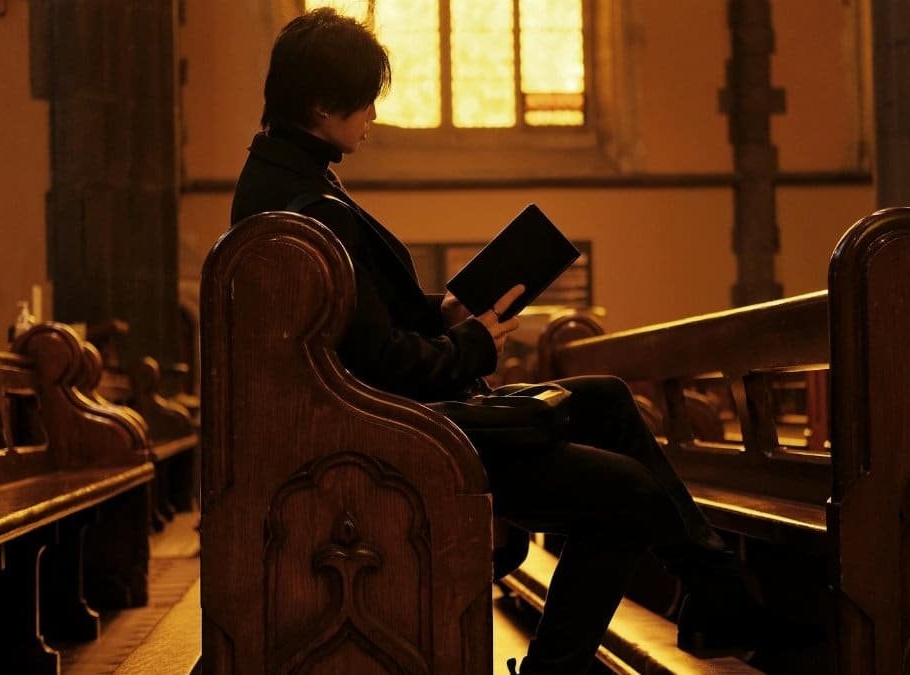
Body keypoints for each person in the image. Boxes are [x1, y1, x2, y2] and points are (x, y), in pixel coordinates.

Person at [230, 9, 763, 673]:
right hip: (392, 438)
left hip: (385, 418)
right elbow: (382, 362)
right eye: (364, 98)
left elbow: (354, 323)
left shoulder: (290, 185)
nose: (372, 113)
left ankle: (715, 587)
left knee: (605, 396)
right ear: (318, 103)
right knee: (625, 491)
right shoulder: (305, 210)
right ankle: (574, 660)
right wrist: (476, 346)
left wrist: (445, 311)